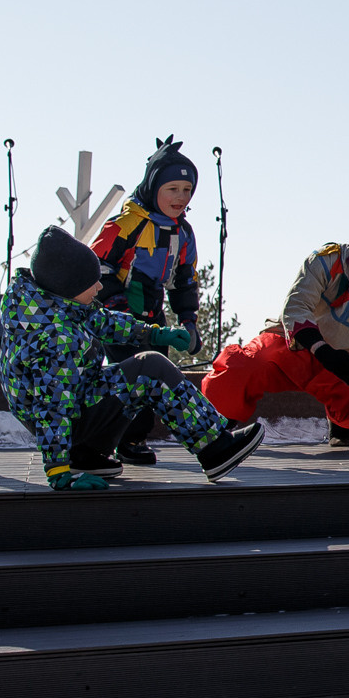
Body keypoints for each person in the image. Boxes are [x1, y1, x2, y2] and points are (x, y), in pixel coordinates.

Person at [0, 227, 262, 490]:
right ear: (70, 286)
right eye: (92, 283)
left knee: (133, 373)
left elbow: (102, 321)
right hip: (63, 421)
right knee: (150, 369)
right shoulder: (54, 337)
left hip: (73, 415)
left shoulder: (49, 307)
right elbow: (52, 408)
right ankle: (214, 447)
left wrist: (156, 334)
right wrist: (58, 473)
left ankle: (86, 454)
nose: (100, 286)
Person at [201, 214, 349, 452]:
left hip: (345, 363)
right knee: (239, 366)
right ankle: (218, 430)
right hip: (291, 346)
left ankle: (339, 423)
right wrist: (321, 350)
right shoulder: (329, 260)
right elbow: (296, 306)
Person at [90, 136, 201, 465]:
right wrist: (116, 306)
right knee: (130, 376)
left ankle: (132, 439)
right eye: (173, 189)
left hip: (153, 312)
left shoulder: (183, 232)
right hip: (119, 314)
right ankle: (105, 440)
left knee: (156, 374)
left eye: (187, 189)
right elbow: (98, 267)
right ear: (154, 187)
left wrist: (189, 319)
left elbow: (185, 279)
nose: (180, 197)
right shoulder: (126, 224)